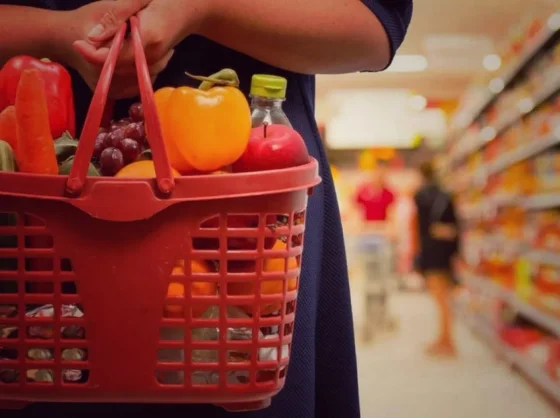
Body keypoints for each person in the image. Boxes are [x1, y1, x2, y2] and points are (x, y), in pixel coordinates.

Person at [0, 1, 413, 416]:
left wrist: (204, 8)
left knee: (240, 362)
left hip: (251, 192)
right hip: (33, 180)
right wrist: (57, 30)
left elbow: (377, 25)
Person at [412, 161, 460, 358]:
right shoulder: (446, 195)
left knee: (440, 299)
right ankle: (444, 338)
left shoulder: (420, 196)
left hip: (431, 252)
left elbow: (418, 227)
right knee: (444, 298)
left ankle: (447, 341)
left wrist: (416, 254)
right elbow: (456, 226)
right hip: (446, 252)